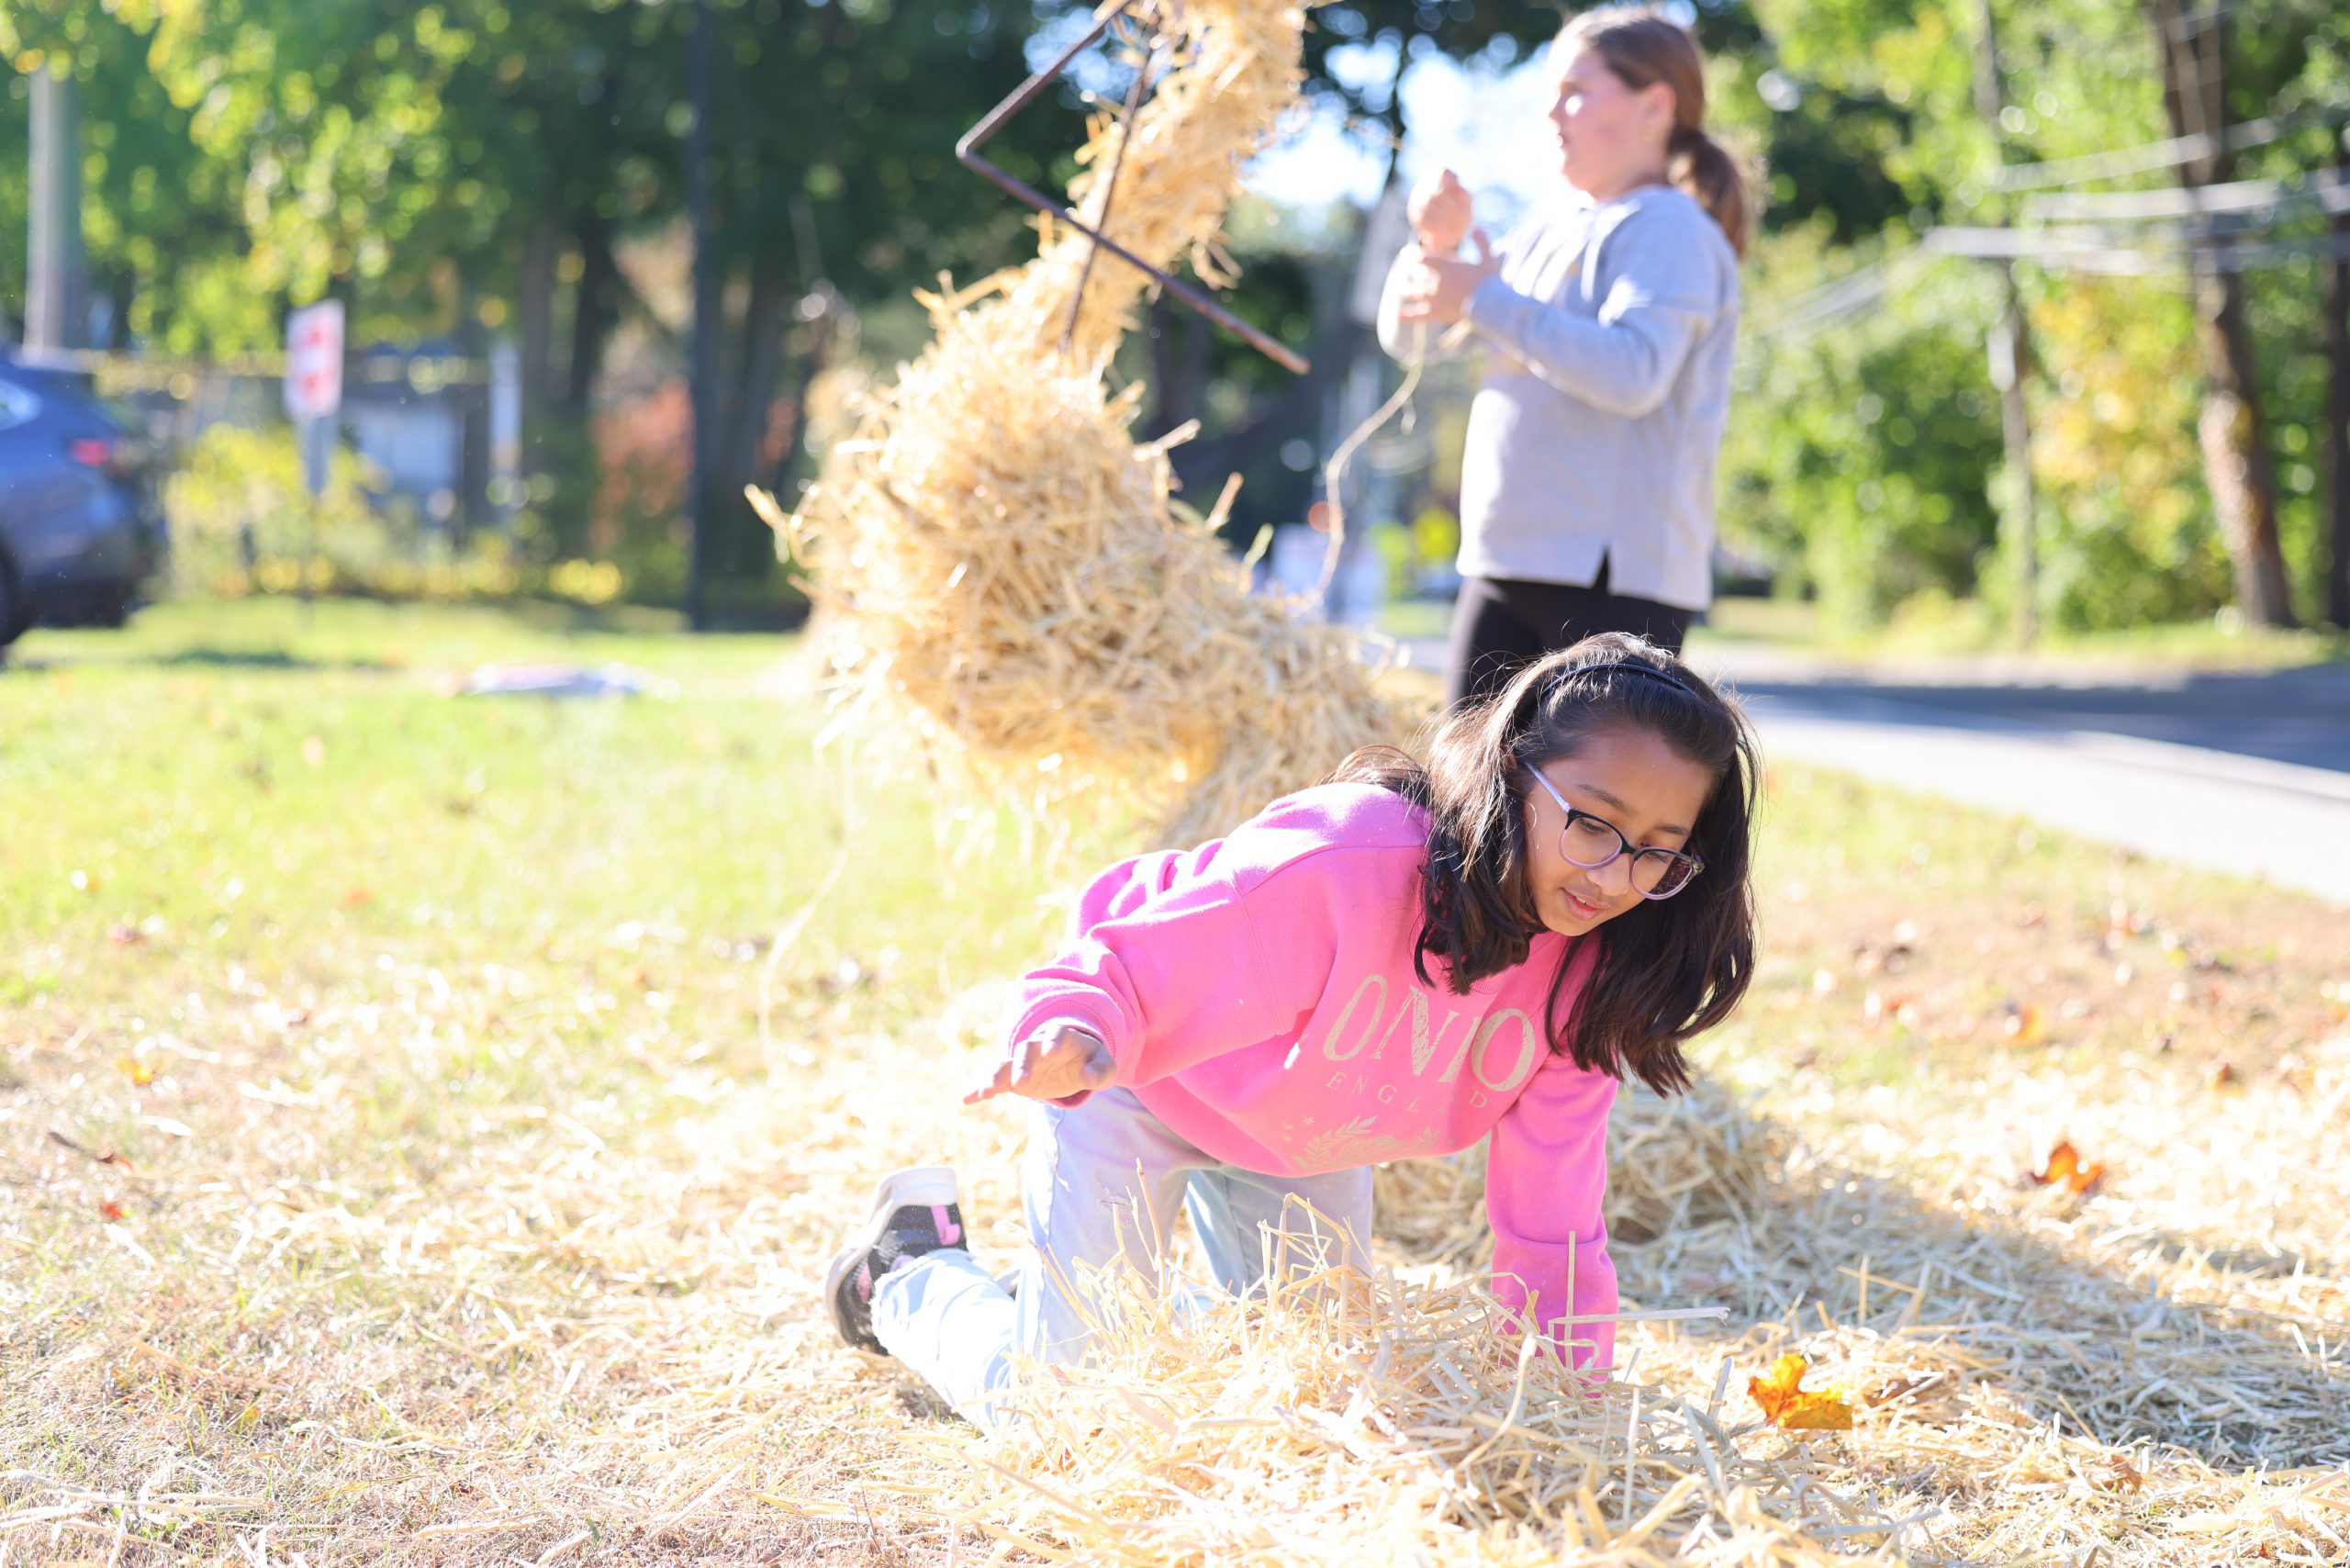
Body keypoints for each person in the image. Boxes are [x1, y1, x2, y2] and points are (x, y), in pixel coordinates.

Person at [824, 633, 1759, 1428]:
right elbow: (1144, 953)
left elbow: (1550, 1224)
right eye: (1593, 823)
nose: (1614, 874)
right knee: (1067, 1412)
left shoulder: (1588, 984)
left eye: (1658, 850)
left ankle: (1082, 1302)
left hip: (1304, 1139)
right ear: (1512, 770)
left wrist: (1567, 1405)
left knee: (1315, 1384)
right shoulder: (1350, 860)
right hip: (1143, 1078)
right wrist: (1076, 1025)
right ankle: (908, 1268)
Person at [1377, 6, 1750, 708]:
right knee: (1471, 802)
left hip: (1613, 584)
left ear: (1656, 105)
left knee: (1589, 811)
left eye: (1575, 91)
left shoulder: (1669, 227)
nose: (1551, 113)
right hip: (1507, 558)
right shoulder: (1548, 228)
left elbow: (1633, 372)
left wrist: (1483, 297)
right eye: (1549, 93)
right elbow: (1412, 340)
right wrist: (1436, 248)